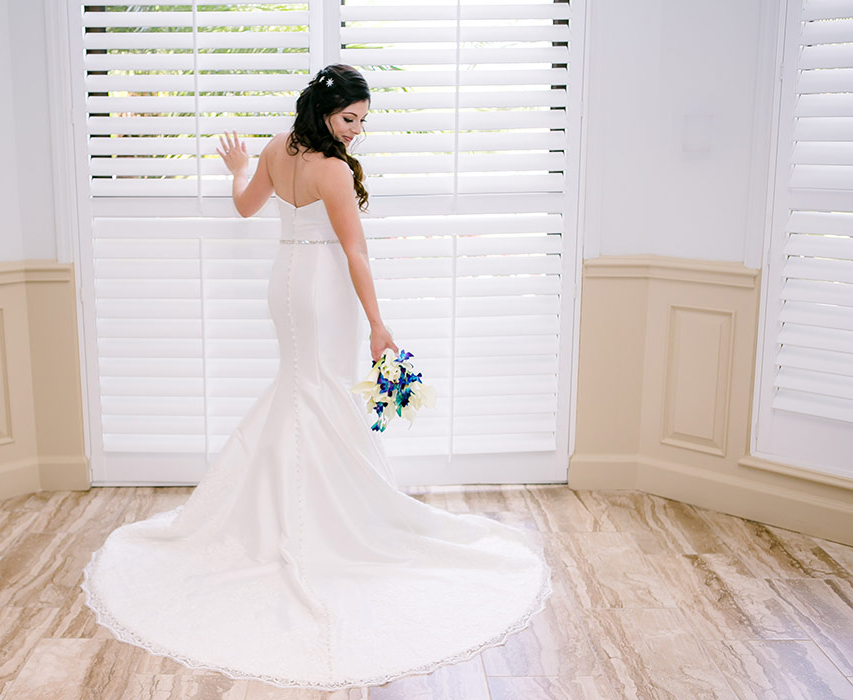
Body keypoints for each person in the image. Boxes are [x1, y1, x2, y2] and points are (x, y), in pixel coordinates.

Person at [81, 64, 553, 691]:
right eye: (350, 119)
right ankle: (321, 522)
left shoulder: (279, 148)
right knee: (320, 393)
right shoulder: (330, 168)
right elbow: (355, 251)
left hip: (283, 282)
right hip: (323, 287)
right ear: (326, 111)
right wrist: (379, 325)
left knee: (303, 391)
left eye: (362, 121)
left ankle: (283, 511)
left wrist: (238, 170)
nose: (357, 132)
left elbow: (247, 206)